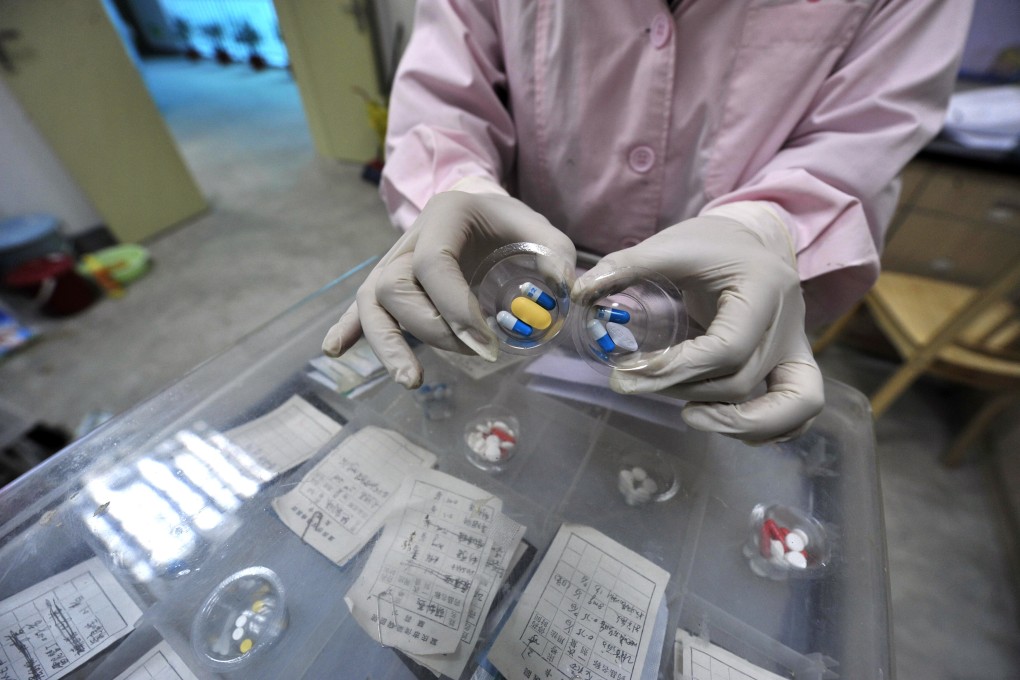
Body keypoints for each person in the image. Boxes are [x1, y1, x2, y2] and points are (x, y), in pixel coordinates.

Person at [323, 0, 973, 444]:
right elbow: (444, 89)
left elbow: (866, 133)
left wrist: (769, 229)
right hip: (522, 287)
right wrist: (451, 188)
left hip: (716, 317)